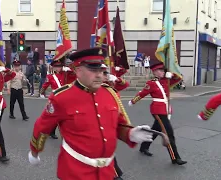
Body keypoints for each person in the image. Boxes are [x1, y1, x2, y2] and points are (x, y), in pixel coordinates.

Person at [28, 47, 153, 180]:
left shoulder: (109, 93)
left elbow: (117, 124)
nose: (99, 74)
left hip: (106, 172)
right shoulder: (61, 97)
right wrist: (35, 153)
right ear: (78, 70)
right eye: (93, 69)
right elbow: (42, 129)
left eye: (101, 69)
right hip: (75, 172)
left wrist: (130, 134)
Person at [128, 59, 187, 165]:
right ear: (154, 72)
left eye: (163, 70)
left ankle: (144, 147)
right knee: (169, 133)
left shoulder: (166, 80)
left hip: (166, 109)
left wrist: (172, 74)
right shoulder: (151, 83)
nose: (162, 72)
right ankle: (175, 158)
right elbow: (142, 94)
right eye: (159, 70)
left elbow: (179, 78)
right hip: (158, 111)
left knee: (156, 130)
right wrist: (132, 102)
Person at [39, 60, 66, 139]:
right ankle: (51, 131)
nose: (58, 68)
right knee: (54, 116)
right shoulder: (50, 77)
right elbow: (45, 85)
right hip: (55, 98)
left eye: (60, 66)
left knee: (64, 115)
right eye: (56, 67)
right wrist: (42, 92)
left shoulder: (65, 74)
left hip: (64, 97)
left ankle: (65, 132)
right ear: (53, 67)